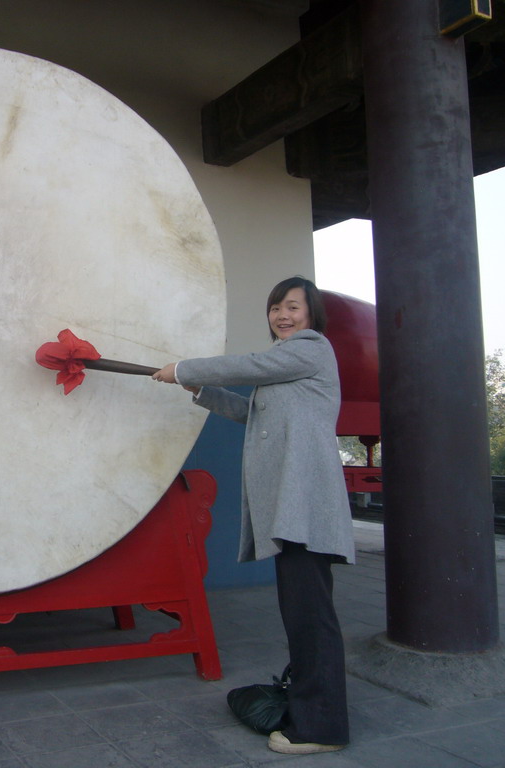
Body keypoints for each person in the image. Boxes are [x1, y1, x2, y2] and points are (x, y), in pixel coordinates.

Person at [152, 275, 354, 755]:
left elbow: (248, 365)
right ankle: (314, 712)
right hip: (292, 508)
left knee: (311, 618)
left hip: (305, 506)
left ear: (311, 315)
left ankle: (321, 728)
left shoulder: (310, 349)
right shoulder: (286, 369)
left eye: (292, 307)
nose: (282, 316)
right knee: (304, 614)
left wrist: (181, 368)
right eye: (275, 308)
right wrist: (199, 389)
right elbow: (252, 414)